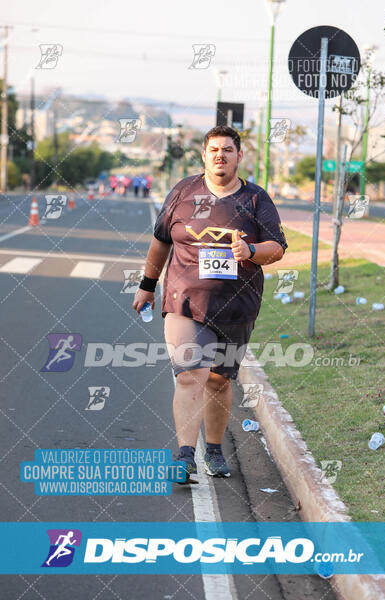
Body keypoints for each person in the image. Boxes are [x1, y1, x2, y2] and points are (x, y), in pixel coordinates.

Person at [133, 125, 287, 484]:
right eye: (214, 149)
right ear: (204, 155)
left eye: (228, 150)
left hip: (237, 307)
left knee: (218, 381)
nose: (221, 155)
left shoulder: (255, 199)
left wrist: (250, 250)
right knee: (190, 375)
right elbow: (160, 241)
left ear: (239, 156)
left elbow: (276, 248)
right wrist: (147, 286)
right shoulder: (184, 192)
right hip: (184, 299)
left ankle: (215, 450)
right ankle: (186, 456)